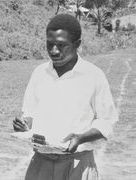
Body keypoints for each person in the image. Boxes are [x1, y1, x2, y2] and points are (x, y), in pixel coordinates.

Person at [13, 14, 118, 180]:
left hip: (77, 164)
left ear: (77, 44)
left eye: (61, 45)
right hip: (41, 163)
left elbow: (106, 121)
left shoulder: (93, 76)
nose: (54, 51)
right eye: (50, 44)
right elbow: (30, 111)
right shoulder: (39, 73)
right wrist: (25, 123)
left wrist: (81, 137)